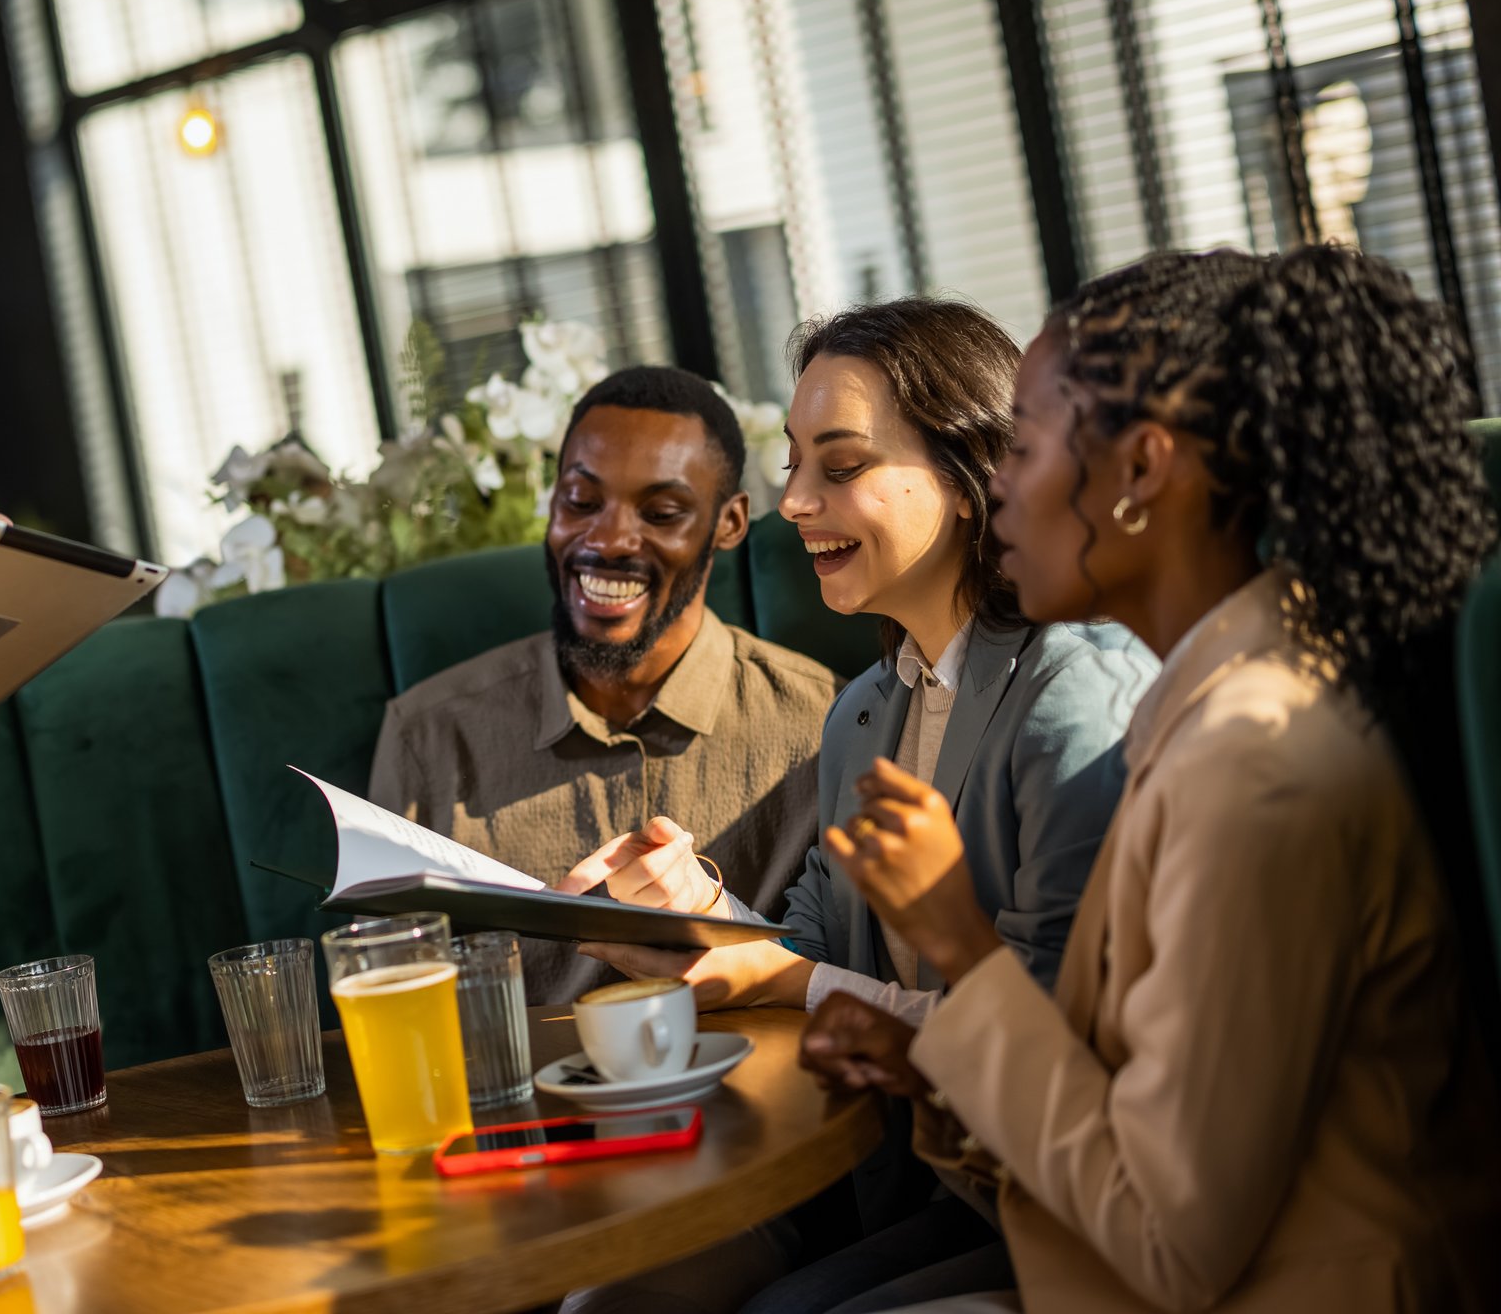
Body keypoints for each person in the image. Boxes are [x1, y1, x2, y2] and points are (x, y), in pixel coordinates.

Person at [800, 247, 1501, 1313]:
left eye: (1024, 445)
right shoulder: (1219, 710)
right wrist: (923, 1051)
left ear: (1140, 473)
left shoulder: (1252, 764)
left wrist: (958, 940)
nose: (994, 483)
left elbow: (1169, 1243)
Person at [566, 299, 1151, 1314]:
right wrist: (693, 916)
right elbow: (813, 945)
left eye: (841, 467)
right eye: (793, 465)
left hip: (1082, 1207)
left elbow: (1060, 1037)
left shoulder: (1073, 696)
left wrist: (788, 974)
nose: (793, 501)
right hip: (936, 1187)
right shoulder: (867, 712)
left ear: (970, 478)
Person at [369, 366, 838, 1009]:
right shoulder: (427, 737)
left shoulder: (827, 726)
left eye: (662, 512)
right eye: (581, 503)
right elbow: (395, 1000)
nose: (608, 539)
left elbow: (850, 979)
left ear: (729, 524)